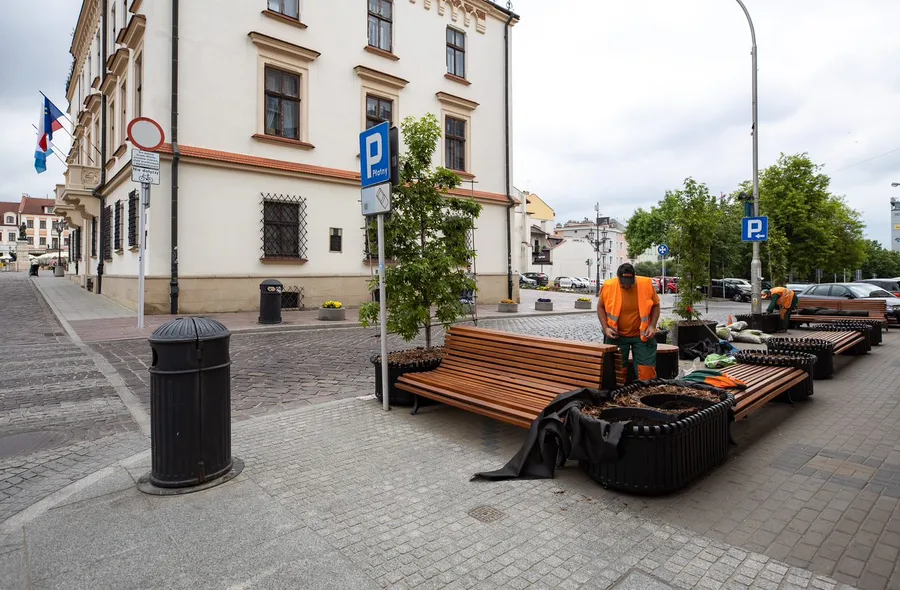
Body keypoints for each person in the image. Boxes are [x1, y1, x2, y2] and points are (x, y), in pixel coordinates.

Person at [597, 263, 661, 381]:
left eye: (629, 284)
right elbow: (600, 307)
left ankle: (644, 394)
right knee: (616, 374)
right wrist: (606, 328)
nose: (626, 287)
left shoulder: (645, 285)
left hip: (643, 335)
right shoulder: (609, 286)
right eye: (623, 285)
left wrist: (652, 326)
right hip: (617, 335)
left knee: (646, 375)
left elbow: (656, 305)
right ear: (618, 279)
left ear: (634, 277)